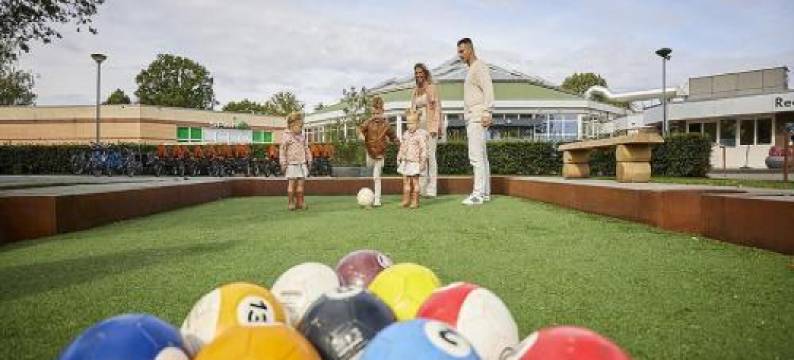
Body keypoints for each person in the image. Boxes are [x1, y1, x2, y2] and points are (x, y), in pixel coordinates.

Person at [457, 37, 493, 205]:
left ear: (470, 49)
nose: (459, 54)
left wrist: (487, 112)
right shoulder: (471, 69)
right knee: (482, 157)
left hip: (477, 116)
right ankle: (485, 193)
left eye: (462, 51)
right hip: (473, 116)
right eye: (458, 51)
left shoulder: (480, 66)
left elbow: (488, 89)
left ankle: (478, 194)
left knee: (476, 157)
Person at [410, 63, 443, 198]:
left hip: (430, 126)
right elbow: (413, 109)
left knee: (430, 156)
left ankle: (432, 189)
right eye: (416, 73)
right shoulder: (414, 91)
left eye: (420, 72)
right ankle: (421, 188)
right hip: (419, 128)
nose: (418, 75)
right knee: (420, 157)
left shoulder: (431, 88)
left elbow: (437, 108)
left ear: (425, 73)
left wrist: (437, 126)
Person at [359, 96, 399, 207]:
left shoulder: (386, 125)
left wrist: (401, 146)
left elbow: (393, 137)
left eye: (378, 113)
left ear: (382, 112)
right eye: (373, 114)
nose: (375, 116)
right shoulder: (368, 122)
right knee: (369, 173)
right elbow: (360, 129)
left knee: (377, 176)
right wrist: (361, 135)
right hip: (369, 152)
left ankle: (377, 199)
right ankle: (367, 194)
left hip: (380, 153)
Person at [279, 112, 312, 210]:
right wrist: (283, 163)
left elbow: (306, 148)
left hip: (301, 164)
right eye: (299, 126)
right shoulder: (286, 136)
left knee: (301, 185)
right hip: (291, 164)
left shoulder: (302, 136)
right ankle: (291, 202)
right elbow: (282, 150)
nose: (301, 128)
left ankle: (300, 202)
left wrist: (309, 159)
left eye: (302, 126)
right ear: (291, 125)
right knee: (291, 184)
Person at [396, 110, 429, 208]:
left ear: (418, 123)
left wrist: (423, 161)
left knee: (415, 181)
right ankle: (406, 200)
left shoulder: (420, 135)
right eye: (408, 123)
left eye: (412, 123)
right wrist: (399, 157)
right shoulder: (405, 134)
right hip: (406, 161)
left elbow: (424, 149)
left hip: (415, 162)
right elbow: (402, 147)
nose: (409, 125)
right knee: (405, 181)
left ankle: (415, 201)